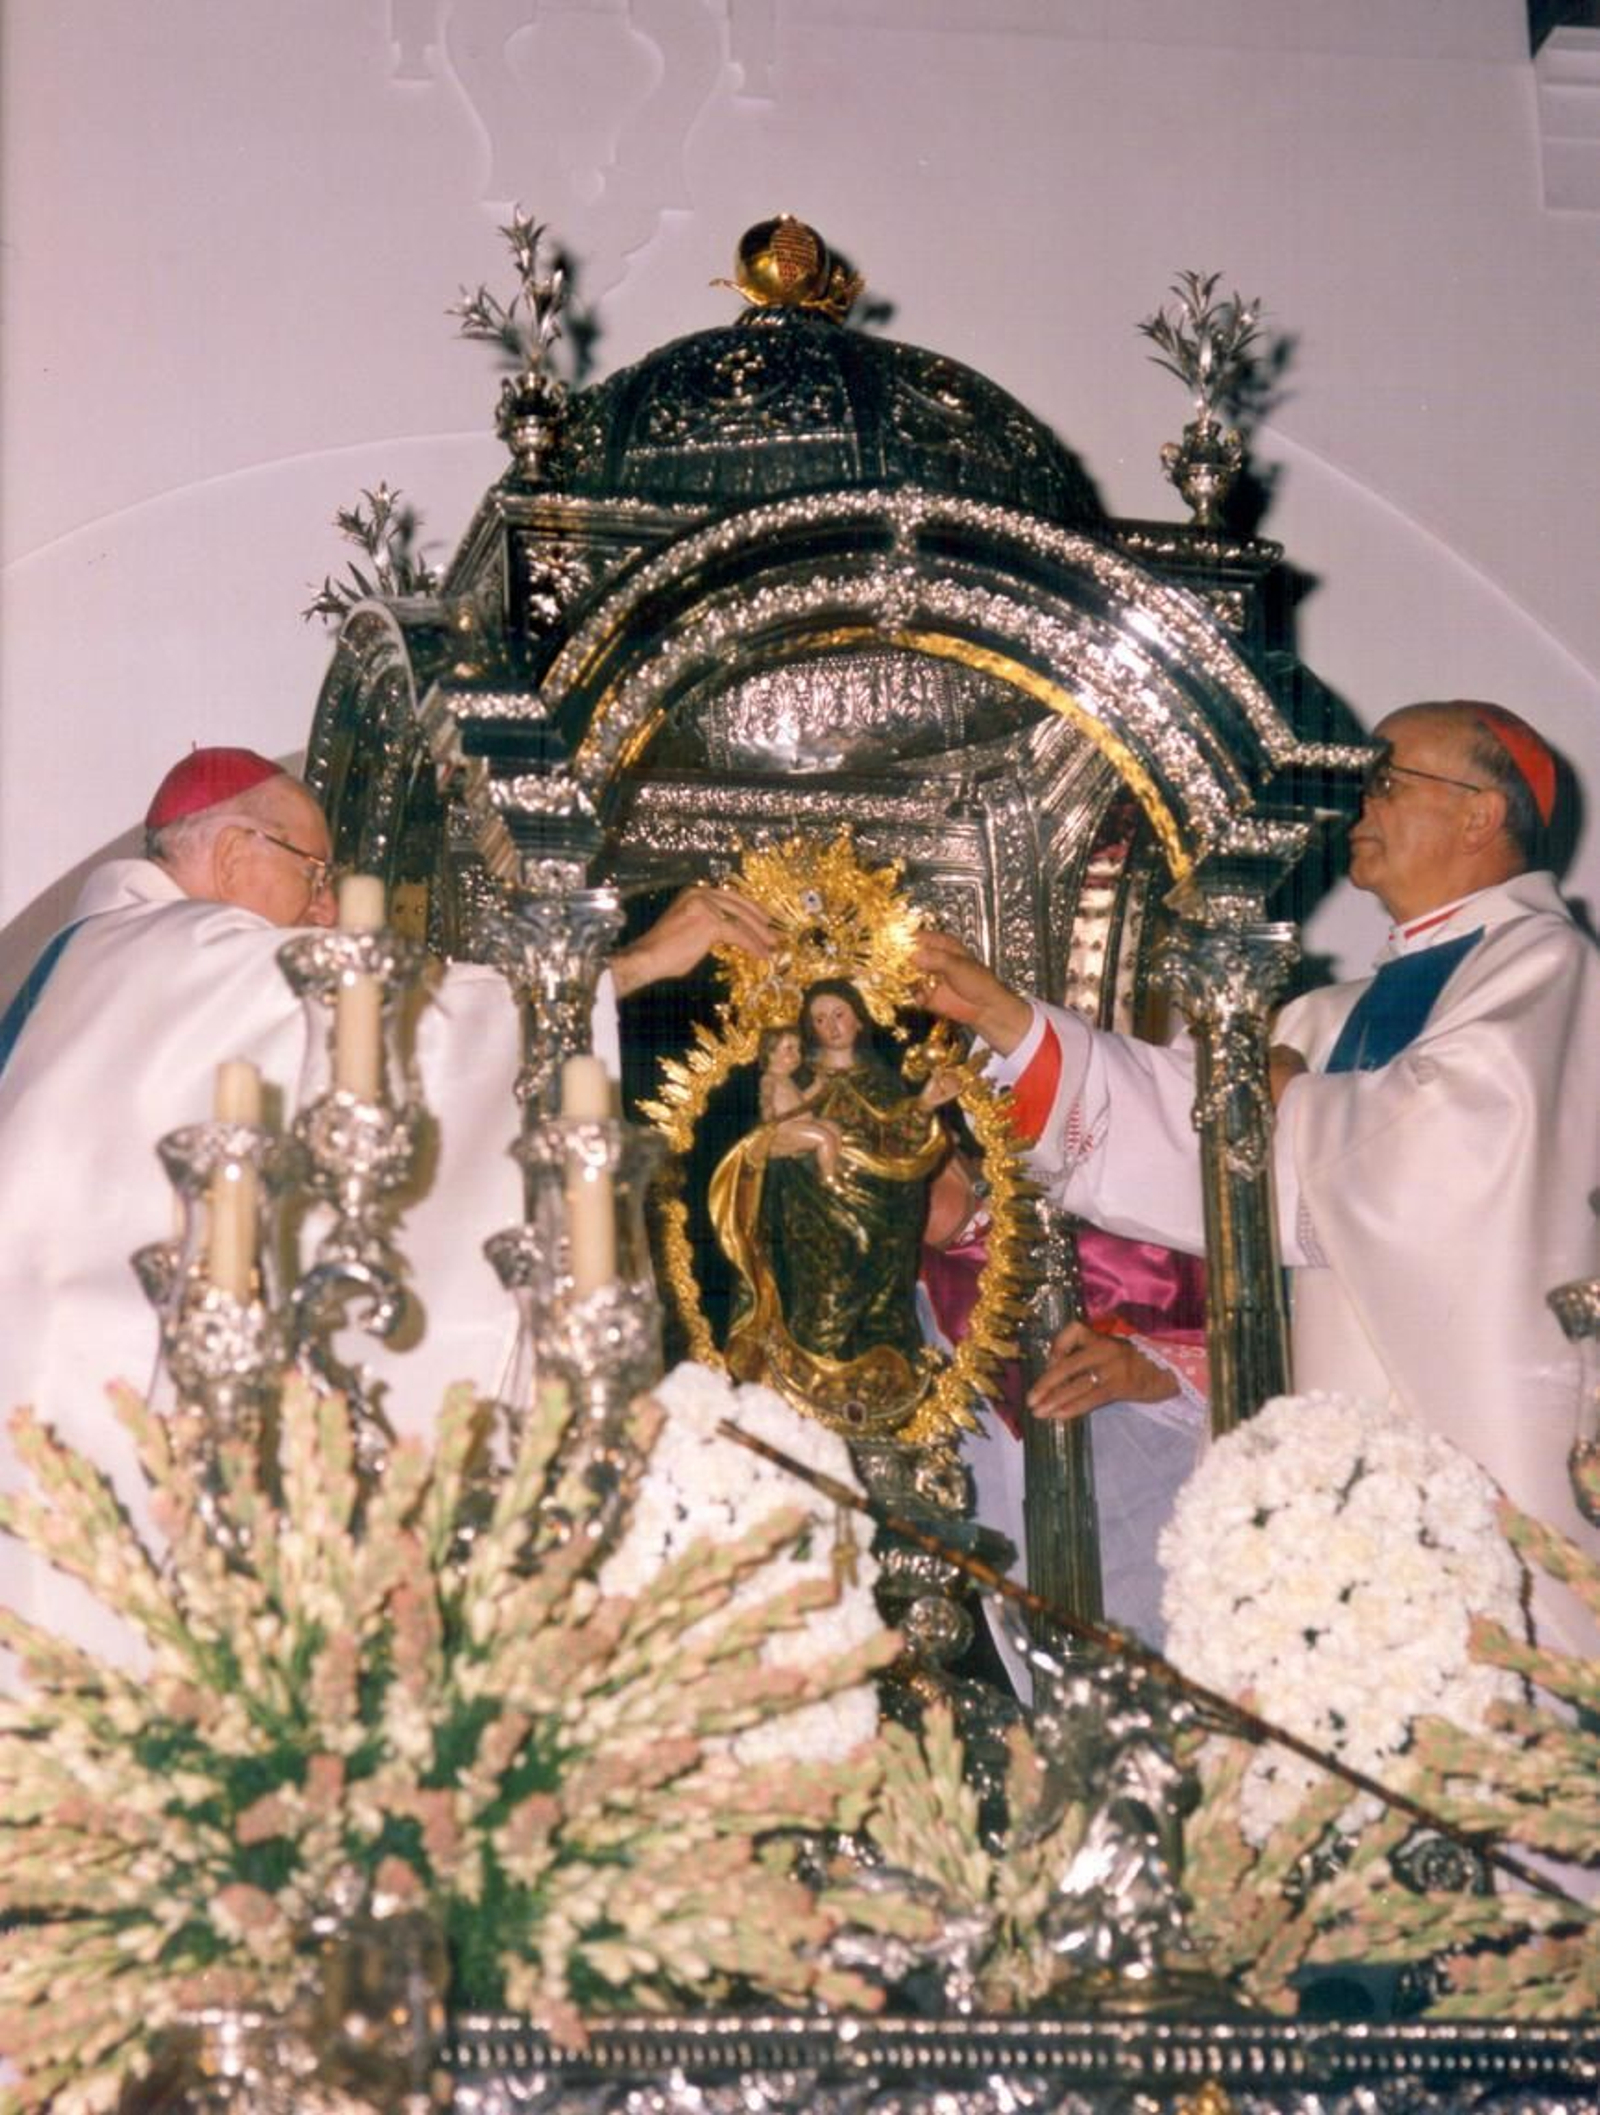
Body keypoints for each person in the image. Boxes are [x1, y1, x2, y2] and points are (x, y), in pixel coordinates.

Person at [0, 745, 773, 1660]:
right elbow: (424, 1033)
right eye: (314, 873)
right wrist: (638, 962)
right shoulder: (198, 952)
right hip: (97, 1415)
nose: (327, 907)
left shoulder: (93, 958)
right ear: (235, 855)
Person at [918, 701, 1600, 1657]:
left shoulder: (1548, 970)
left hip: (1475, 1439)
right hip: (1317, 1475)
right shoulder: (1330, 1016)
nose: (1360, 805)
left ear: (1480, 814)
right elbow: (1197, 1137)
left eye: (1388, 781)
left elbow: (1455, 1156)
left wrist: (1289, 1098)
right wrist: (1012, 1025)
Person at [710, 978, 957, 1435]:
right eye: (819, 1019)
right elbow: (772, 1135)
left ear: (859, 1019)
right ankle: (811, 1400)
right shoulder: (797, 1077)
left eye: (839, 1014)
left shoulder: (880, 1082)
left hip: (883, 1211)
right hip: (812, 1213)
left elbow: (899, 1141)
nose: (831, 1026)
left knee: (880, 1301)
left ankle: (881, 1398)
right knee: (822, 1301)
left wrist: (923, 1103)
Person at [755, 1021, 843, 1184]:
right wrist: (768, 1114)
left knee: (834, 1128)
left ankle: (830, 1166)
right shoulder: (769, 1079)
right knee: (824, 1137)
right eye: (789, 1049)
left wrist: (817, 1086)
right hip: (784, 1130)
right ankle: (829, 1179)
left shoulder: (787, 1080)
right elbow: (765, 1098)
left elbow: (801, 1103)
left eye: (798, 1049)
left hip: (801, 1124)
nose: (797, 1055)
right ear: (771, 1053)